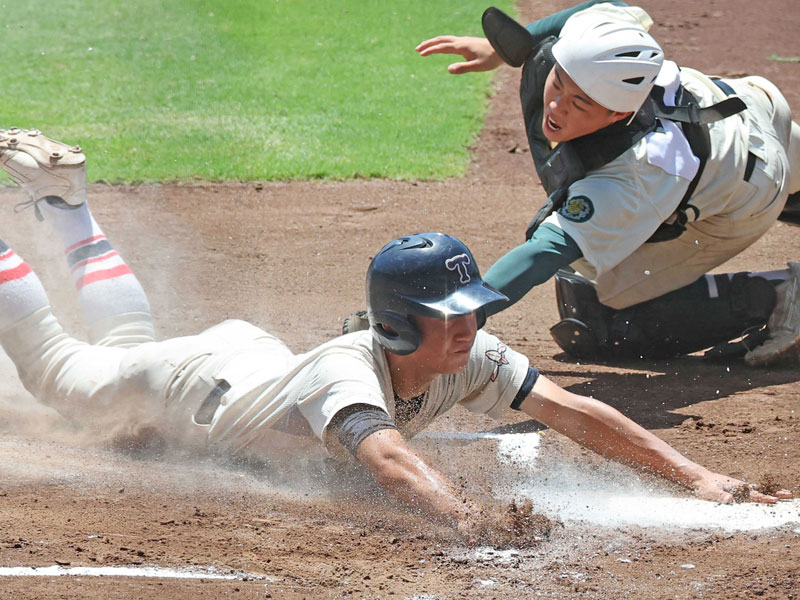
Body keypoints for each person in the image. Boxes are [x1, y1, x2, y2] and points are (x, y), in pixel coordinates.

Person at [0, 129, 791, 549]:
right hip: (184, 385)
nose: (469, 324)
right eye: (449, 312)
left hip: (237, 367)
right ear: (397, 324)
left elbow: (574, 413)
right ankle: (58, 212)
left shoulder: (465, 350)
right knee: (59, 365)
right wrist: (469, 522)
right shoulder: (349, 373)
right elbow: (391, 459)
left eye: (472, 306)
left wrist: (694, 477)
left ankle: (68, 207)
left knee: (121, 342)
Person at [414, 1, 800, 366]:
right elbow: (609, 7)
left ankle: (777, 296)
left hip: (750, 191)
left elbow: (540, 256)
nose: (556, 106)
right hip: (752, 101)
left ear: (618, 114)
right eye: (558, 82)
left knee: (599, 313)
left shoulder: (635, 177)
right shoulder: (592, 49)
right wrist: (503, 49)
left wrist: (444, 317)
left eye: (579, 104)